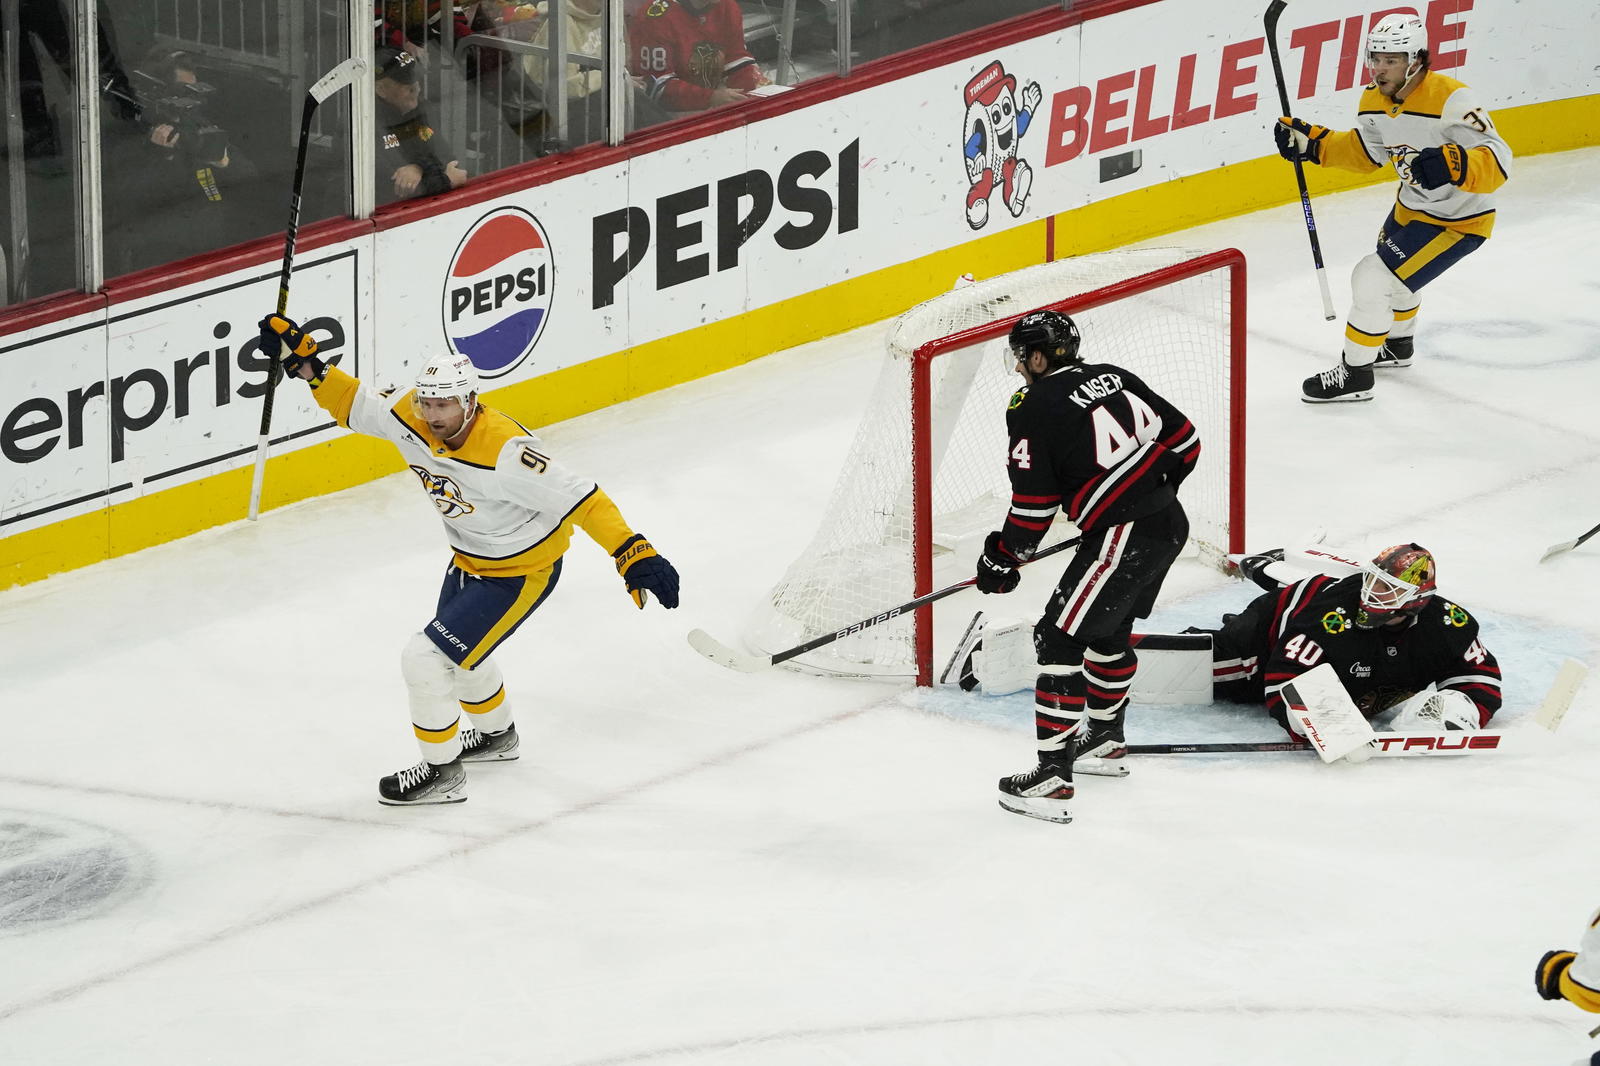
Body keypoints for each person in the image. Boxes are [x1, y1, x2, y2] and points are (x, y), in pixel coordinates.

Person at [257, 313, 681, 805]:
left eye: (445, 404)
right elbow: (355, 403)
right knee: (460, 658)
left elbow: (582, 497)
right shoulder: (409, 417)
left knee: (424, 658)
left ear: (470, 402)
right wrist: (307, 363)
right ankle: (498, 739)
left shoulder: (507, 452)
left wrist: (631, 550)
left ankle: (443, 775)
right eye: (427, 401)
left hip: (519, 572)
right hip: (469, 559)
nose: (434, 413)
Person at [974, 310, 1201, 824]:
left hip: (1124, 535)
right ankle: (1103, 739)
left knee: (1057, 640)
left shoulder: (1032, 406)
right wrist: (1147, 492)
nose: (1017, 370)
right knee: (1107, 630)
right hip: (1169, 522)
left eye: (1019, 358)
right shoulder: (1114, 375)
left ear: (1036, 356)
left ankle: (1053, 775)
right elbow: (1186, 440)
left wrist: (1001, 557)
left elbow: (1034, 506)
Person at [1275, 14, 1511, 403]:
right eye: (1375, 58)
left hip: (1458, 221)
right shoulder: (1372, 100)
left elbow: (1500, 159)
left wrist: (1458, 164)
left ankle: (1355, 375)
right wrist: (1313, 145)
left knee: (1372, 277)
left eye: (1391, 59)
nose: (1379, 68)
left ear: (1416, 59)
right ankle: (1398, 346)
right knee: (1397, 281)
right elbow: (1368, 154)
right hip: (1409, 209)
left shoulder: (1452, 99)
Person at [1200, 544, 1502, 738]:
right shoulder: (1329, 618)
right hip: (1267, 633)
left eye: (1387, 588)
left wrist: (1464, 709)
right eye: (1371, 580)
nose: (1371, 592)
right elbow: (1282, 674)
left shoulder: (1447, 623)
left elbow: (1480, 677)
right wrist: (1310, 720)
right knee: (1232, 672)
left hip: (1350, 662)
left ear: (1417, 599)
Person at [627, 0, 770, 114]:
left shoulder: (727, 7)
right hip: (664, 119)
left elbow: (736, 59)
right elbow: (655, 87)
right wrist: (710, 98)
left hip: (711, 104)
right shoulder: (655, 17)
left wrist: (752, 97)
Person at [373, 46, 469, 205]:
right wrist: (445, 180)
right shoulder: (364, 124)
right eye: (407, 85)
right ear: (381, 90)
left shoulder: (421, 108)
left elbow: (447, 159)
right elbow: (395, 187)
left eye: (416, 80)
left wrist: (419, 168)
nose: (416, 88)